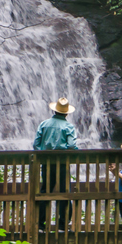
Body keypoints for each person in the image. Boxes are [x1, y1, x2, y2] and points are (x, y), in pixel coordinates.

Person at [33, 97, 79, 232]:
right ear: (66, 113)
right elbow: (71, 145)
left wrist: (42, 154)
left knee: (45, 191)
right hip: (63, 162)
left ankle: (41, 225)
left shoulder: (43, 124)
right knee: (65, 192)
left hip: (46, 162)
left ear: (54, 111)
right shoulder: (68, 126)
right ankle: (62, 225)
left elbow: (36, 144)